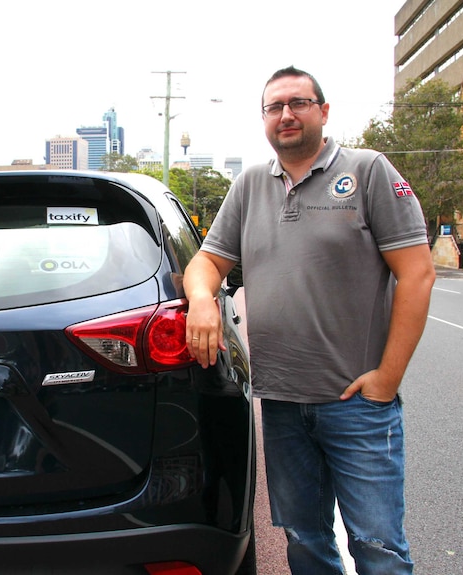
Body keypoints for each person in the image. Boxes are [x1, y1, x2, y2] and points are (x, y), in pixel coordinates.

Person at [183, 66, 436, 575]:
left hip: (358, 405)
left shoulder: (369, 172)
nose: (286, 115)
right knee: (305, 540)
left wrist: (386, 381)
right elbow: (207, 262)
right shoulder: (251, 185)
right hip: (280, 404)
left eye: (298, 103)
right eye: (274, 107)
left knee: (378, 548)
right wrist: (202, 299)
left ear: (323, 111)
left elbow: (418, 275)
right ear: (264, 120)